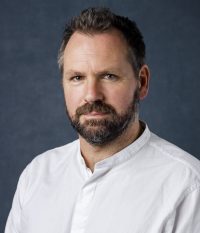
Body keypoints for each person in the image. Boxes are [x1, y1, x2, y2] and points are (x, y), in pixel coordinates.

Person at [5, 7, 200, 233]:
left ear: (142, 82)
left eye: (109, 76)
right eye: (77, 77)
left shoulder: (188, 188)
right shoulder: (36, 175)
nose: (92, 94)